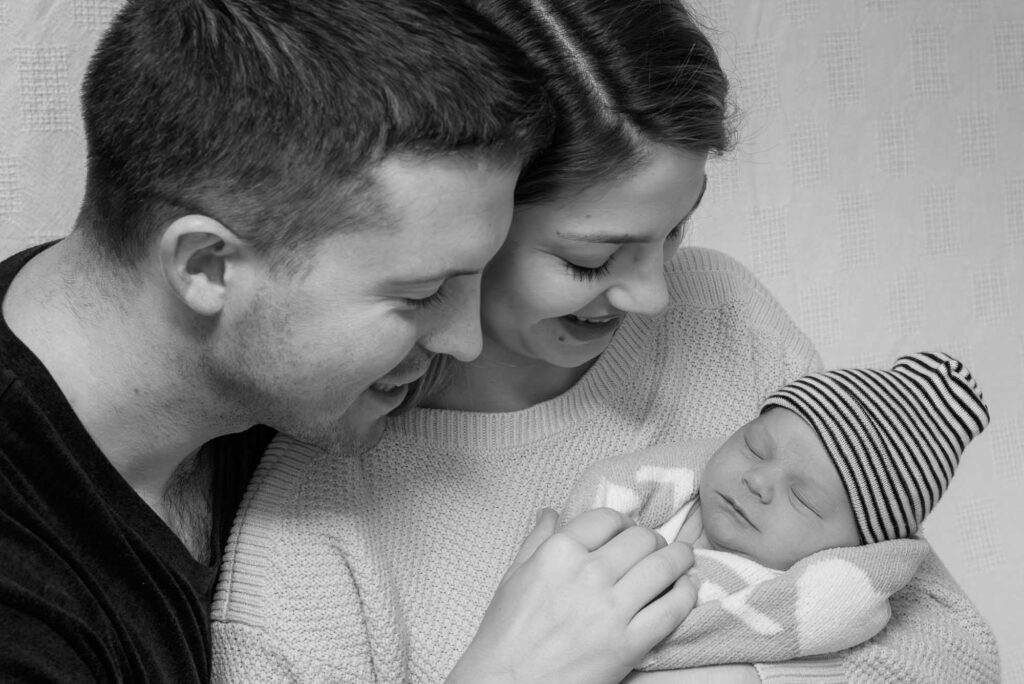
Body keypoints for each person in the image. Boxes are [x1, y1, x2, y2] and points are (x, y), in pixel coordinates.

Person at [210, 0, 999, 682]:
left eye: (677, 228)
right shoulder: (320, 507)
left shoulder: (723, 316)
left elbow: (954, 650)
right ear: (467, 218)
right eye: (591, 260)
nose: (655, 294)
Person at [0, 1, 701, 682]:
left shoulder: (258, 377)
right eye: (422, 294)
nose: (464, 340)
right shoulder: (26, 605)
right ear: (206, 268)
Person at [561, 351, 990, 670]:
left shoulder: (792, 600)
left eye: (803, 498)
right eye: (754, 447)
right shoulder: (654, 502)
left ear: (851, 548)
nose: (759, 480)